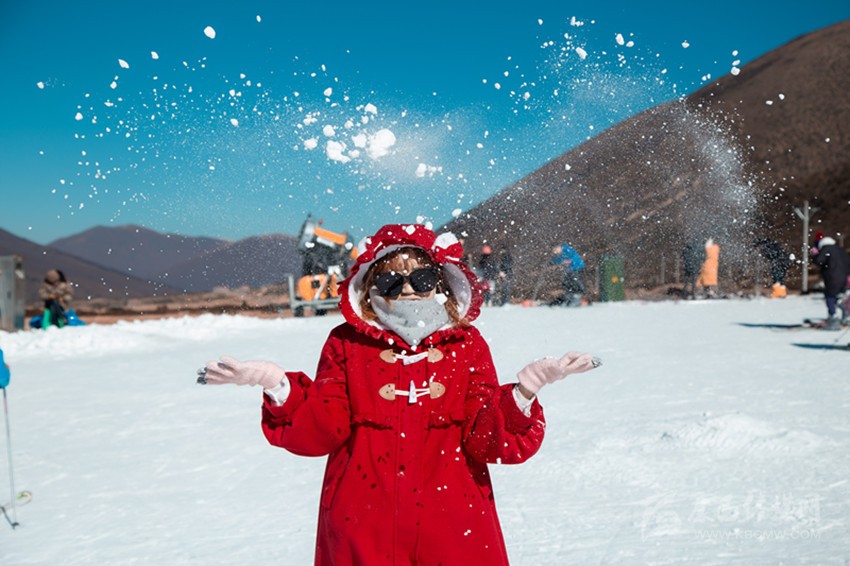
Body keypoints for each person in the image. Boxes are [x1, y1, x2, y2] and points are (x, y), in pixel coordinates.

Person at [200, 224, 598, 565]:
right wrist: (279, 387)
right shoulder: (346, 343)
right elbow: (323, 430)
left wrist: (524, 392)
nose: (407, 289)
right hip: (362, 521)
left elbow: (486, 439)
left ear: (441, 282)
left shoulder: (467, 344)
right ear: (371, 285)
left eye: (421, 279)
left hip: (453, 521)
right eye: (390, 280)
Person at [810, 234, 850, 330]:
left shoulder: (826, 249)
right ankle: (846, 316)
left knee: (830, 297)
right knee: (839, 296)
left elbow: (819, 261)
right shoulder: (840, 249)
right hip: (844, 277)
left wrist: (815, 255)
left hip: (832, 277)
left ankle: (833, 319)